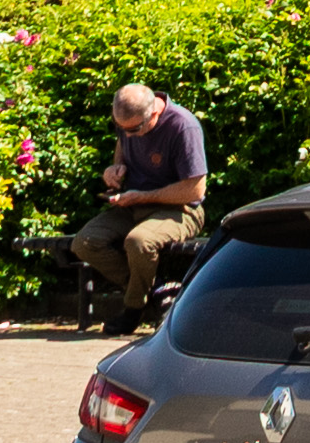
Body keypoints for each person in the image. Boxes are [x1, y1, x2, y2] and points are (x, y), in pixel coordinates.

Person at [71, 80, 211, 327]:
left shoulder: (183, 126)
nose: (126, 134)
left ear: (154, 113)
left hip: (180, 209)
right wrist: (114, 170)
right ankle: (155, 291)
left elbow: (194, 190)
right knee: (84, 242)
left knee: (138, 241)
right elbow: (122, 145)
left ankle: (134, 309)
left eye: (133, 130)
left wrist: (142, 196)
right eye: (120, 127)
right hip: (133, 205)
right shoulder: (130, 121)